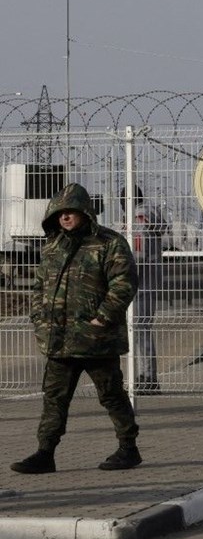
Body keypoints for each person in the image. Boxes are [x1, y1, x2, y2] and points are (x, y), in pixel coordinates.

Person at [10, 183, 142, 474]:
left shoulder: (109, 243)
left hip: (97, 340)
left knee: (111, 395)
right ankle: (45, 453)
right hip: (59, 340)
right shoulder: (53, 246)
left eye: (71, 211)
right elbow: (39, 287)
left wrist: (103, 318)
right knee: (54, 398)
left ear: (85, 212)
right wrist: (38, 317)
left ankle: (128, 448)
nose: (65, 217)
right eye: (60, 212)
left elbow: (124, 283)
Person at [120, 185, 167, 395]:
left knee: (139, 331)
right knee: (141, 331)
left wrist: (120, 268)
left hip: (138, 283)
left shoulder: (139, 220)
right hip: (148, 282)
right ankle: (146, 376)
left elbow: (137, 253)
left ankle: (147, 378)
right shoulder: (149, 218)